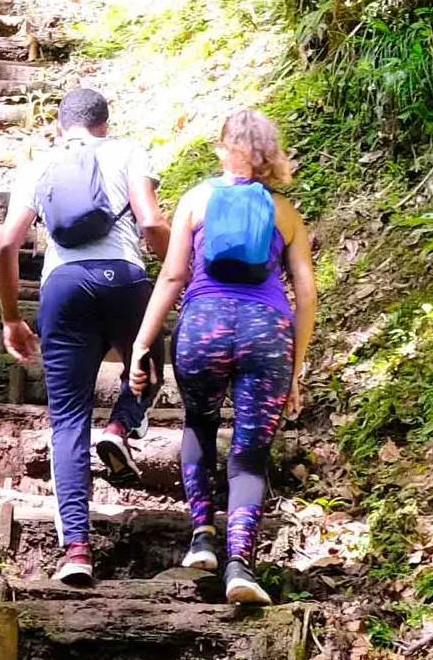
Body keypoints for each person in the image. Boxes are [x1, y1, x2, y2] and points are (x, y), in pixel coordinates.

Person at [129, 109, 316, 605]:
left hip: (203, 328)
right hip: (268, 334)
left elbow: (172, 278)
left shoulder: (196, 200)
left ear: (221, 148)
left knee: (200, 424)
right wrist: (294, 369)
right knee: (250, 454)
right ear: (269, 157)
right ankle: (240, 565)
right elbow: (307, 293)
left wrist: (142, 342)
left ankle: (202, 538)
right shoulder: (286, 213)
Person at [0, 88, 170, 587]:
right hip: (125, 278)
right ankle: (120, 428)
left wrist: (11, 318)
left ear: (58, 126)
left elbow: (7, 242)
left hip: (64, 287)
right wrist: (178, 267)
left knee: (67, 418)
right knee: (149, 362)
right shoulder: (127, 151)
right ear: (105, 124)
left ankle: (76, 549)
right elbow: (152, 221)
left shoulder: (39, 164)